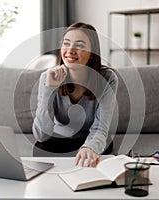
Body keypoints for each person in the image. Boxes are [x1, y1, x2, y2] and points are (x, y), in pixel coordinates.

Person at [32, 22, 118, 167]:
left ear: (93, 53)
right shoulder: (47, 77)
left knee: (96, 150)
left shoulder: (108, 78)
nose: (70, 50)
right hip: (61, 138)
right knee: (39, 149)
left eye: (80, 45)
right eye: (66, 44)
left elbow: (100, 128)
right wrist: (49, 89)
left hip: (91, 138)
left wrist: (89, 148)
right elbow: (41, 135)